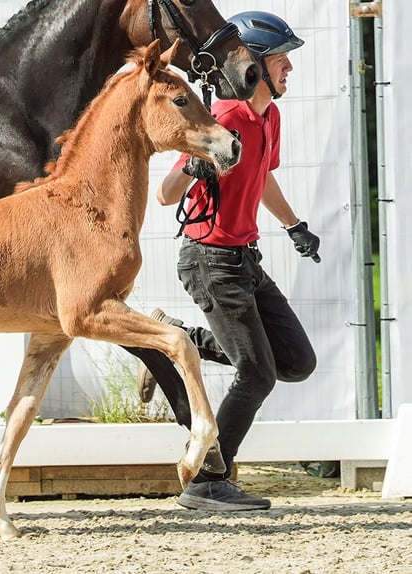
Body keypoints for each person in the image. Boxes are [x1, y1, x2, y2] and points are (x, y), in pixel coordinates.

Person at [151, 11, 319, 511]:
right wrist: (198, 168)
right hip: (210, 260)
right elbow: (165, 194)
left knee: (296, 362)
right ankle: (206, 480)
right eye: (281, 59)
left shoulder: (270, 117)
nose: (289, 68)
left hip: (245, 259)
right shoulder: (222, 118)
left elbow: (262, 176)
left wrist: (293, 226)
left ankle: (172, 343)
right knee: (257, 373)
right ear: (255, 67)